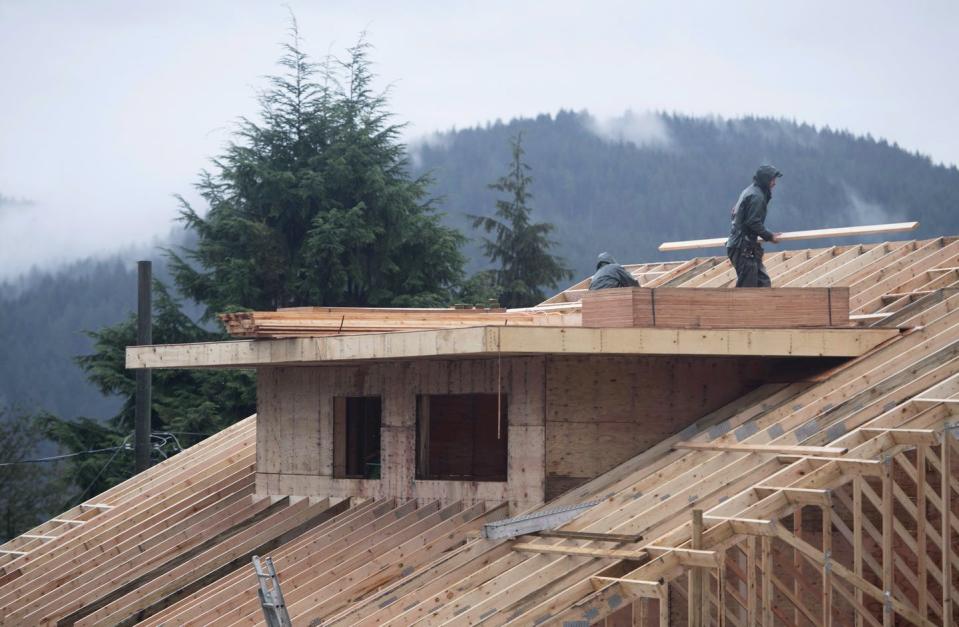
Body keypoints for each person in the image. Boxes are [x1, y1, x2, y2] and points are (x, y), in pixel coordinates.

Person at [726, 165, 784, 287]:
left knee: (763, 283)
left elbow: (734, 213)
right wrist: (770, 236)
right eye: (772, 180)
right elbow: (753, 222)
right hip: (742, 248)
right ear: (765, 180)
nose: (774, 183)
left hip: (743, 246)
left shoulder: (749, 191)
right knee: (748, 289)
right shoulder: (757, 196)